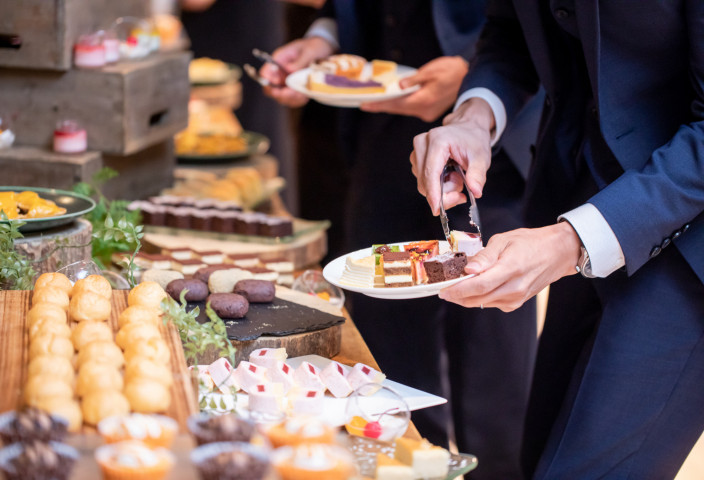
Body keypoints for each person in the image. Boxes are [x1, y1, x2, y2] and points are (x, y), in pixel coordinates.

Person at [410, 1, 704, 478]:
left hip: (691, 248)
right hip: (578, 204)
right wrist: (474, 115)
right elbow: (511, 30)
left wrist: (572, 241)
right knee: (538, 459)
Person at [260, 2, 542, 479]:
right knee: (385, 351)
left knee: (492, 362)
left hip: (491, 143)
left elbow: (525, 25)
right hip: (385, 136)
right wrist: (327, 38)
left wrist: (475, 85)